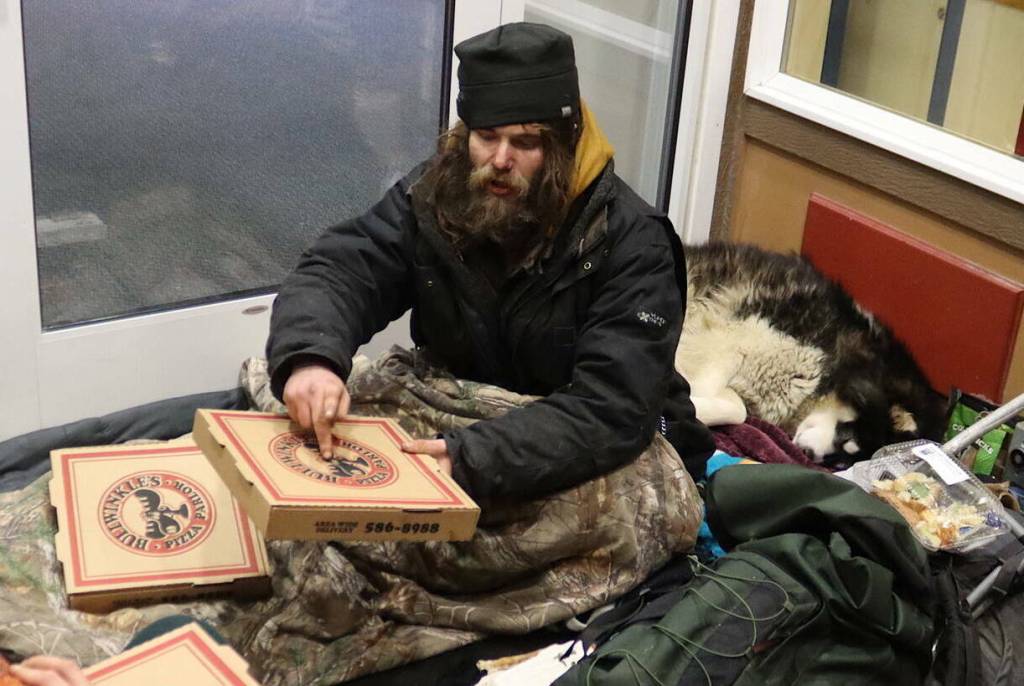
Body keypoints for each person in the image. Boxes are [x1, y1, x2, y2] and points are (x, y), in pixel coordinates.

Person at [266, 22, 714, 501]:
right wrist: (311, 360)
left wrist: (468, 459)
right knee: (296, 449)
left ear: (563, 145)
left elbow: (610, 408)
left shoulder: (633, 242)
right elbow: (344, 268)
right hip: (466, 410)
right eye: (487, 136)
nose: (500, 160)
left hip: (588, 438)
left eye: (525, 143)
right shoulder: (440, 192)